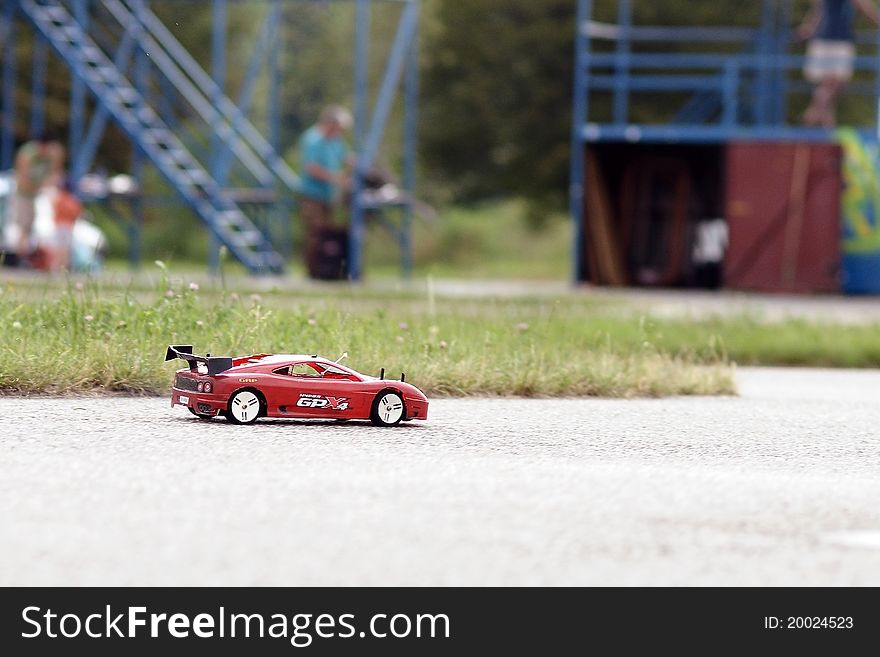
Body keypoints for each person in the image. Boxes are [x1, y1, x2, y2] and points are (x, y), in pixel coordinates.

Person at [798, 0, 880, 127]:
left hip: (831, 39)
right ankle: (819, 115)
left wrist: (808, 27)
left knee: (831, 83)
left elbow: (817, 10)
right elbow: (863, 6)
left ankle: (818, 114)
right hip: (834, 41)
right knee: (833, 82)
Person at [297, 106, 353, 278]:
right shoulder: (313, 139)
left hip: (328, 196)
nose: (340, 133)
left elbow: (347, 157)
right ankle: (313, 273)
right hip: (312, 196)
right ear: (330, 124)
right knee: (315, 234)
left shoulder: (335, 140)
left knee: (327, 233)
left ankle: (328, 271)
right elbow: (311, 168)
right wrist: (336, 178)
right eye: (339, 128)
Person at [13, 133, 64, 260]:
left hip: (39, 193)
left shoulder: (52, 154)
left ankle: (39, 257)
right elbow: (23, 178)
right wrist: (43, 184)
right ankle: (21, 258)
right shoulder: (27, 154)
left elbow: (56, 172)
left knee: (43, 226)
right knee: (25, 226)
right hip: (25, 194)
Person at [50, 178, 83, 272]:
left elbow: (55, 210)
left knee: (59, 247)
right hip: (68, 226)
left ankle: (58, 267)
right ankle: (64, 267)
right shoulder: (73, 200)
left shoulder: (59, 199)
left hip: (60, 225)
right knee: (65, 248)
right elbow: (77, 214)